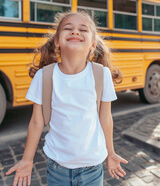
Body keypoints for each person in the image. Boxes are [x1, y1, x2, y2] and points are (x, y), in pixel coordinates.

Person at [6, 11, 128, 186]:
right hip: (57, 168)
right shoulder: (44, 76)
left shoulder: (101, 74)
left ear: (93, 45)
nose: (75, 32)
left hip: (92, 167)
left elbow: (105, 118)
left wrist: (111, 152)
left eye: (83, 29)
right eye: (68, 28)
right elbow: (36, 122)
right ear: (57, 41)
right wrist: (27, 160)